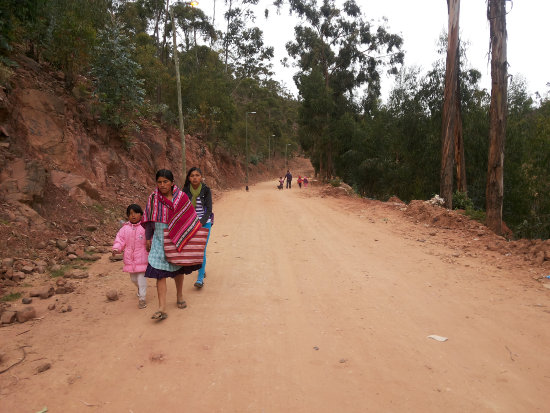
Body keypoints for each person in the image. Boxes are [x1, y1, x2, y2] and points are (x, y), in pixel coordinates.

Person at [142, 169, 202, 321]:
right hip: (158, 239)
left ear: (172, 183)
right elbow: (149, 219)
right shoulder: (153, 198)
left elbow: (190, 217)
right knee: (159, 272)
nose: (162, 185)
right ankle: (161, 307)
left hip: (178, 237)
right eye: (159, 182)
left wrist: (191, 236)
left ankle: (179, 295)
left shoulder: (181, 197)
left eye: (165, 182)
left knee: (177, 269)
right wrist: (148, 238)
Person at [112, 204, 149, 309]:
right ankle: (139, 289)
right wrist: (116, 249)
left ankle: (142, 298)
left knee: (141, 278)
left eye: (136, 213)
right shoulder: (124, 229)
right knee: (133, 279)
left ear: (141, 214)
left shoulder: (145, 227)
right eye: (130, 213)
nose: (133, 215)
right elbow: (120, 240)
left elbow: (150, 239)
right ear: (128, 216)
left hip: (142, 258)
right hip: (130, 259)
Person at [182, 167, 213, 289]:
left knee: (201, 249)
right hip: (190, 223)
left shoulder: (206, 190)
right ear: (189, 178)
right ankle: (202, 268)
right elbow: (183, 208)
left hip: (204, 223)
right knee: (192, 249)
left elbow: (209, 209)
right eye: (192, 175)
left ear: (201, 177)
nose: (195, 177)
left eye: (197, 175)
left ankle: (200, 278)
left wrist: (201, 222)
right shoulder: (184, 191)